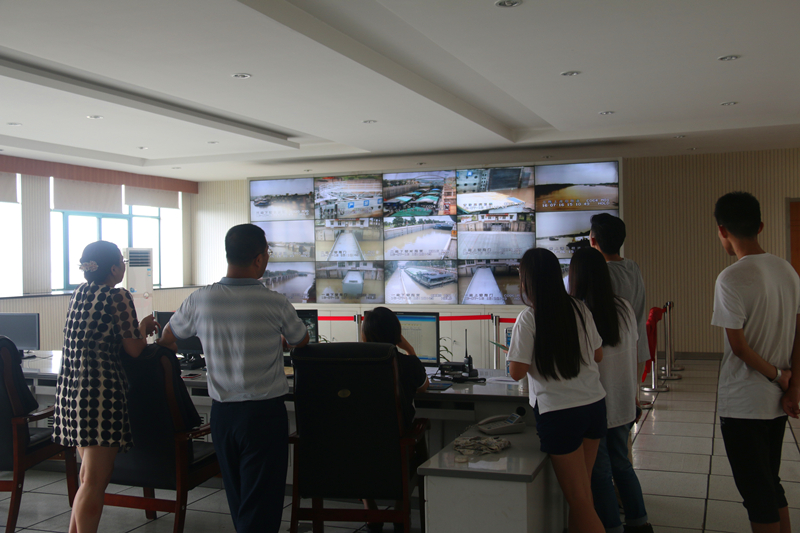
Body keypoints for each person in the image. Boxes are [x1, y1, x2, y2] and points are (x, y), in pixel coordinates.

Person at [158, 224, 309, 533]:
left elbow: (168, 335)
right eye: (267, 253)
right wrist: (276, 339)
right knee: (263, 501)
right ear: (259, 259)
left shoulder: (201, 299)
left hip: (223, 416)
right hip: (264, 416)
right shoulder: (275, 302)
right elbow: (301, 339)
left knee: (239, 497)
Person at [52, 241, 157, 533]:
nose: (123, 266)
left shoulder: (79, 293)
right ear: (113, 269)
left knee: (88, 478)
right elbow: (134, 350)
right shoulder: (117, 296)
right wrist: (144, 328)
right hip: (100, 394)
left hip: (71, 391)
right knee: (95, 482)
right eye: (122, 262)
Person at [711, 192, 797, 533]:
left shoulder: (730, 278)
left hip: (744, 403)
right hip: (776, 402)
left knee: (756, 493)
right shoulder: (786, 270)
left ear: (722, 230)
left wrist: (779, 376)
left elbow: (739, 347)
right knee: (770, 483)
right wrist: (792, 386)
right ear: (760, 226)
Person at [507, 248, 606, 533]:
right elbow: (598, 355)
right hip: (594, 406)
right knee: (582, 496)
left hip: (561, 414)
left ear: (528, 281)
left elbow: (516, 372)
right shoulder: (580, 308)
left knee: (579, 500)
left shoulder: (529, 318)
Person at [569, 247, 653, 533]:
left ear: (576, 277)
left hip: (595, 405)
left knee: (600, 474)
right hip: (624, 400)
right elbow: (632, 350)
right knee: (623, 465)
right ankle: (640, 523)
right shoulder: (624, 307)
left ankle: (612, 528)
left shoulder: (579, 312)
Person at [360, 306, 429, 533]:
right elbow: (424, 387)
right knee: (413, 445)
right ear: (397, 335)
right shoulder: (408, 364)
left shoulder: (353, 364)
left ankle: (370, 509)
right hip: (397, 447)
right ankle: (400, 509)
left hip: (358, 451)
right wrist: (409, 349)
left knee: (362, 441)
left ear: (365, 336)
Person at [589, 214, 649, 369]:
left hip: (612, 353)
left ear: (593, 240)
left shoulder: (600, 273)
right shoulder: (632, 266)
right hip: (637, 347)